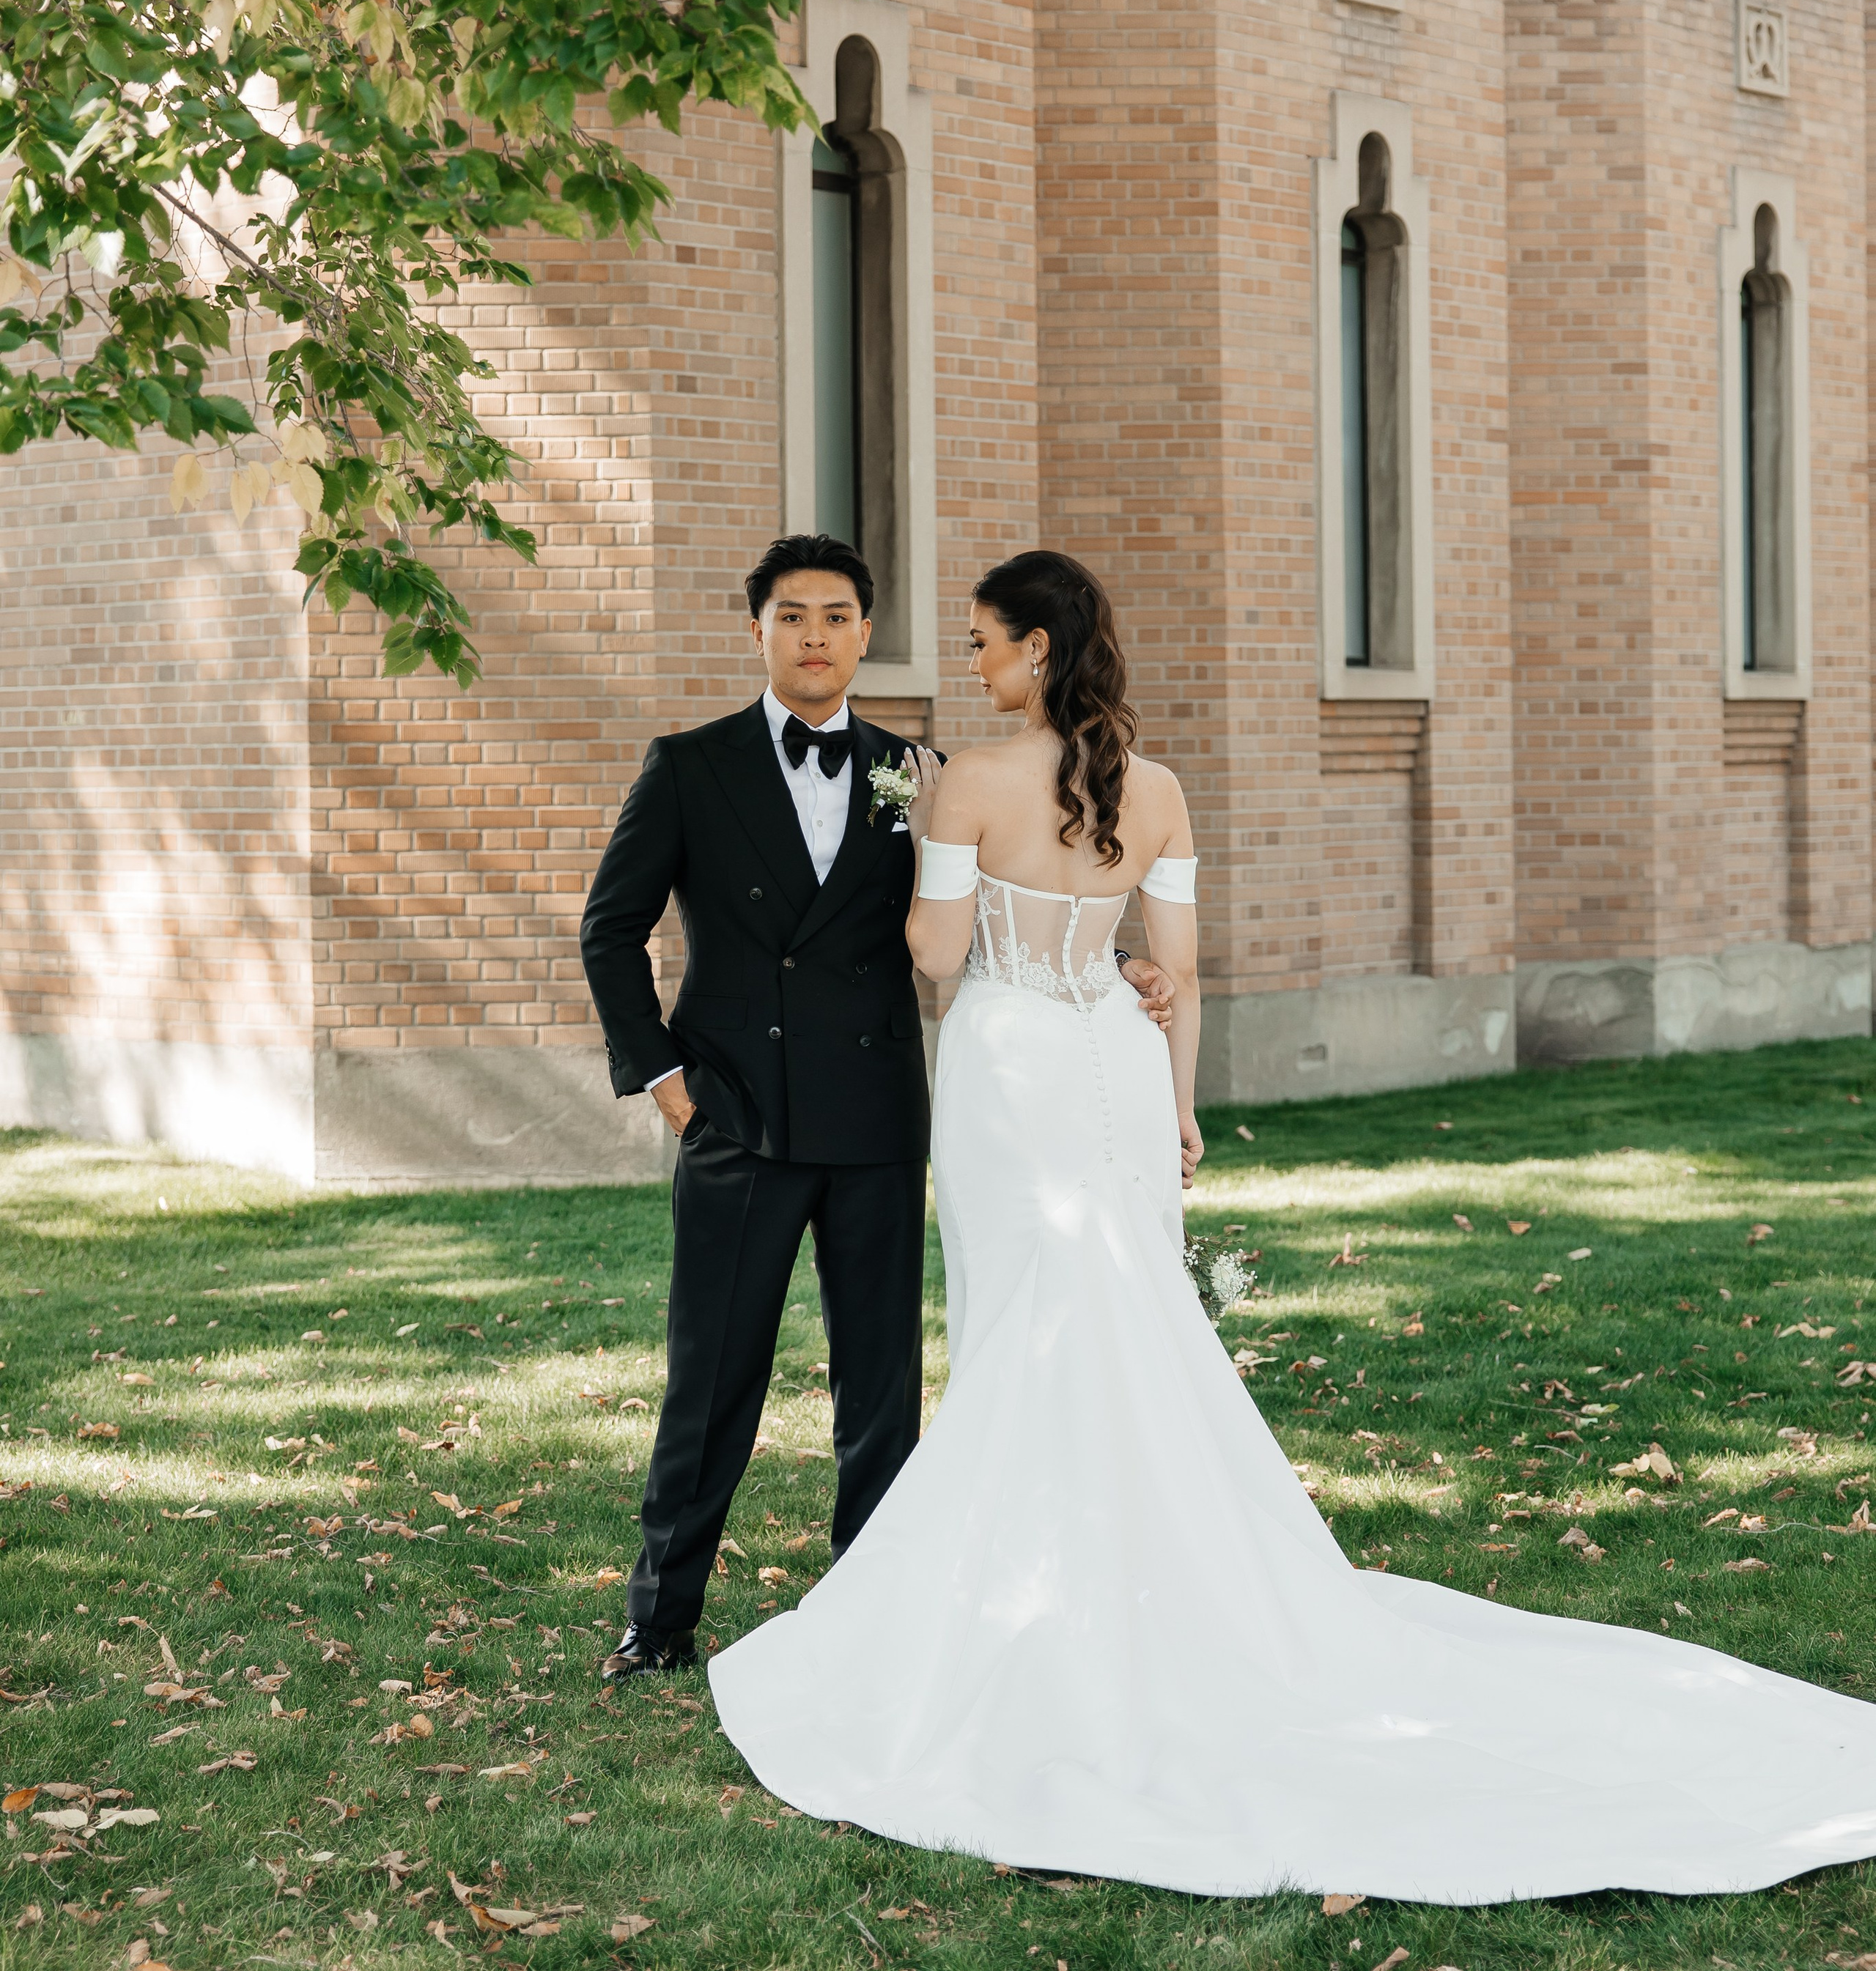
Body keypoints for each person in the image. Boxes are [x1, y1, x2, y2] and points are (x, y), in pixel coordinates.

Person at [709, 548, 1876, 1902]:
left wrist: (924, 867)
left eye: (981, 643)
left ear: (1037, 651)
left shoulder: (967, 782)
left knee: (1031, 1318)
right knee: (1119, 1312)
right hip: (1120, 1074)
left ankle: (1033, 1597)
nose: (966, 666)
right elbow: (1185, 970)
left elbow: (935, 957)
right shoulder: (1156, 790)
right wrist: (1184, 1109)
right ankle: (1153, 1572)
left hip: (1015, 1068)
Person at [578, 534, 1173, 1682]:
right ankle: (659, 1620)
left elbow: (1014, 907)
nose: (815, 637)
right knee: (713, 1381)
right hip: (735, 1118)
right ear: (757, 631)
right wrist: (661, 1078)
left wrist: (1124, 962)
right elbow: (612, 927)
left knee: (881, 1389)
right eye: (793, 616)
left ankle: (875, 1607)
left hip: (877, 1121)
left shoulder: (928, 774)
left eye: (838, 617)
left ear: (865, 633)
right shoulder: (689, 765)